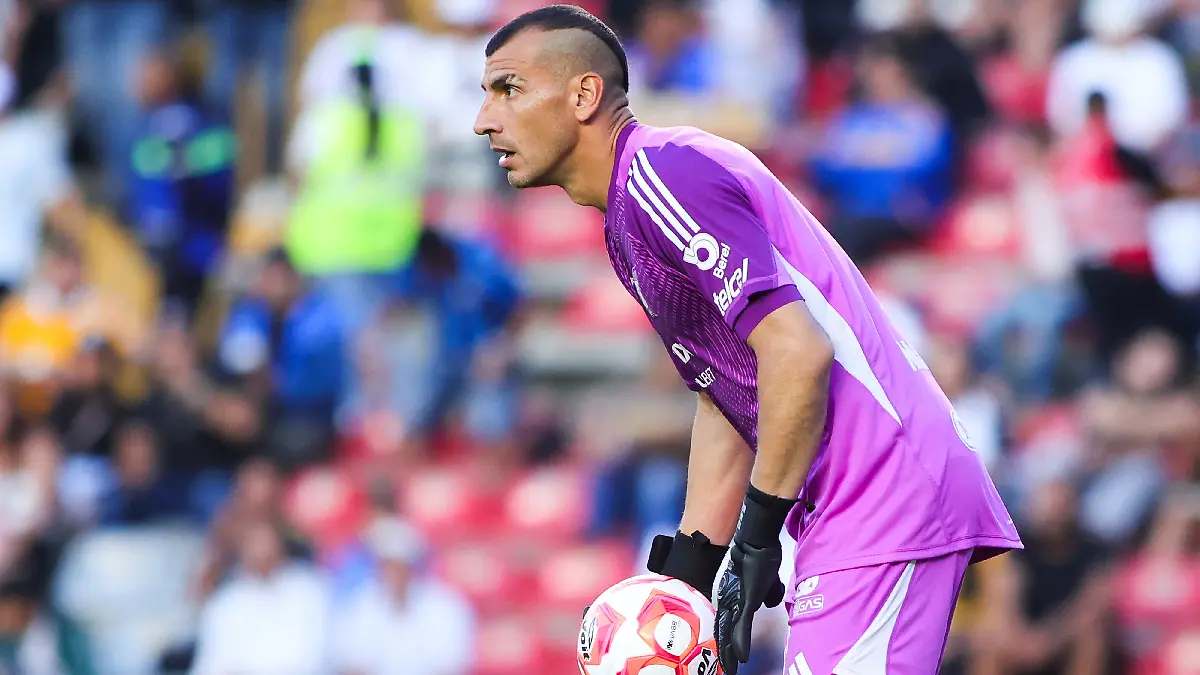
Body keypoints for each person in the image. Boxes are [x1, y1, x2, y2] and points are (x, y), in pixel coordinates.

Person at [473, 7, 1022, 674]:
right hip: (848, 506)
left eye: (508, 89)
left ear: (583, 95)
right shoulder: (629, 211)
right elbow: (729, 394)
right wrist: (693, 571)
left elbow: (797, 351)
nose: (484, 120)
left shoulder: (663, 175)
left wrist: (756, 540)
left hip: (885, 490)